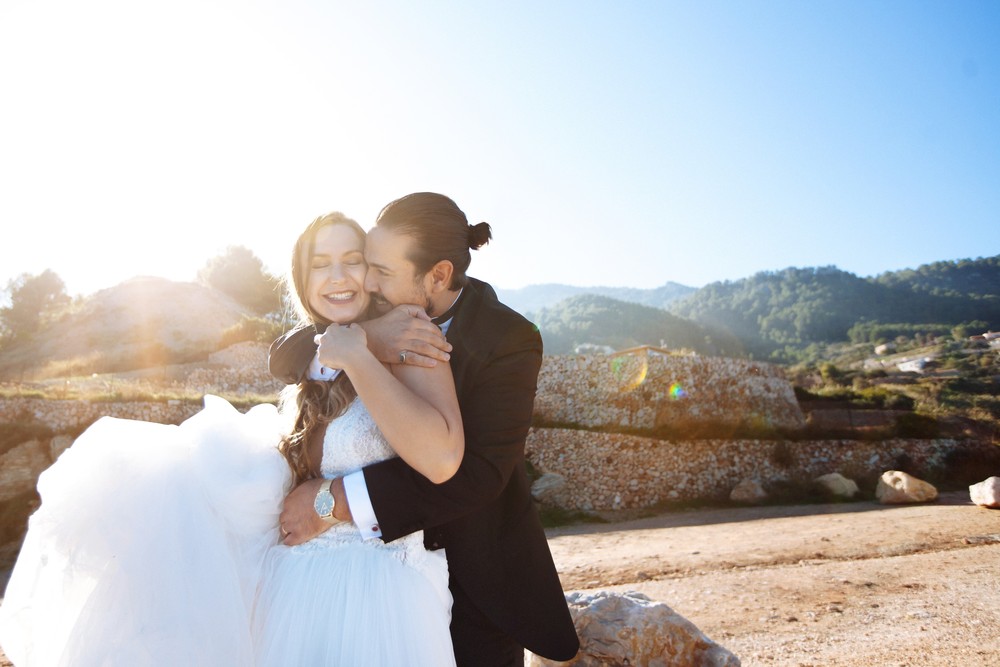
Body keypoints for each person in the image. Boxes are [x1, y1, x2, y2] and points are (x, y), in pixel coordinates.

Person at [0, 212, 464, 666]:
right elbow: (291, 356)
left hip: (380, 600)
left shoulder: (408, 337)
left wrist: (360, 352)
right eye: (320, 264)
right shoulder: (307, 369)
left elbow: (439, 461)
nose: (338, 276)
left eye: (352, 259)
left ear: (373, 270)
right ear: (301, 280)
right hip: (290, 592)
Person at [268, 192, 580, 666]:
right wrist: (368, 339)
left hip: (475, 575)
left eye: (381, 272)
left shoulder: (509, 340)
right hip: (348, 581)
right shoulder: (378, 303)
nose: (366, 282)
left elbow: (478, 474)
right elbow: (288, 351)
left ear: (437, 275)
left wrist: (336, 500)